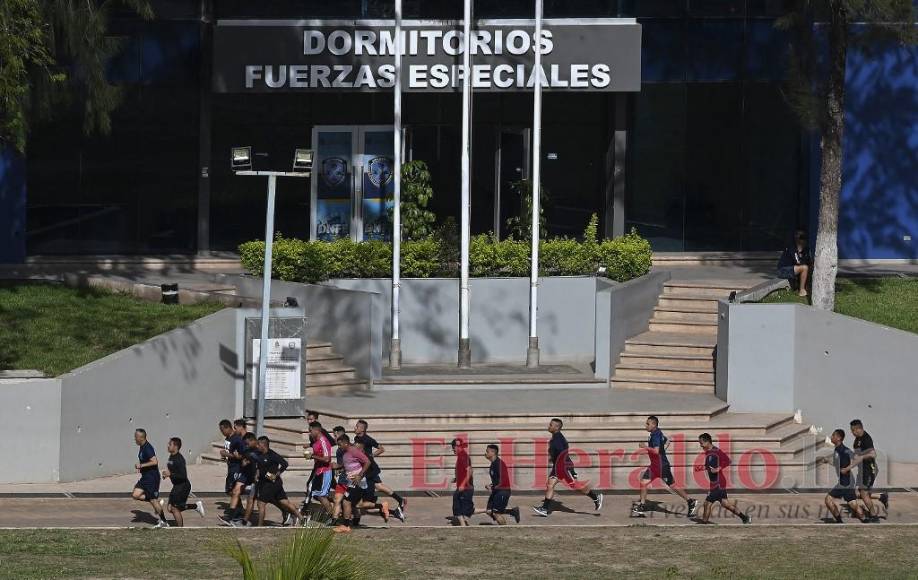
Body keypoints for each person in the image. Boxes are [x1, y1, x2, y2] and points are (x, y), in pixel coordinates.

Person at [532, 418, 603, 517]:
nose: (549, 426)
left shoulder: (558, 440)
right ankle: (544, 508)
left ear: (557, 427)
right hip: (557, 467)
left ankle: (595, 497)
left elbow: (564, 456)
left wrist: (571, 470)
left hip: (564, 468)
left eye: (551, 425)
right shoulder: (556, 438)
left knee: (576, 486)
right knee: (550, 485)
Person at [632, 416, 697, 518]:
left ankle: (690, 501)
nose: (646, 425)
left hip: (662, 466)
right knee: (644, 482)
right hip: (655, 466)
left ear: (654, 425)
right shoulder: (657, 433)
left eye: (648, 424)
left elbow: (656, 451)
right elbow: (667, 441)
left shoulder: (656, 435)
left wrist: (645, 447)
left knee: (672, 485)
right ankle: (642, 505)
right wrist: (662, 452)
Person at [354, 419, 407, 521]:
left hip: (369, 469)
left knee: (364, 501)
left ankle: (387, 506)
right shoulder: (357, 437)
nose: (355, 428)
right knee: (379, 486)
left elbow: (381, 449)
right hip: (368, 469)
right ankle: (400, 500)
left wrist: (371, 455)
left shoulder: (368, 439)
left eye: (357, 426)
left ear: (362, 429)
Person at [694, 433, 750, 524]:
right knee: (725, 504)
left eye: (701, 443)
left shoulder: (717, 451)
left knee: (707, 503)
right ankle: (745, 518)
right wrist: (701, 468)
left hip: (718, 483)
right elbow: (709, 466)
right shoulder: (708, 452)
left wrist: (718, 468)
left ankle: (704, 524)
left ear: (707, 442)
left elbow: (728, 461)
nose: (700, 445)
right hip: (716, 482)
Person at [252, 436, 302, 526]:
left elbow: (284, 464)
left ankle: (259, 526)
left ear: (263, 445)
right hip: (268, 482)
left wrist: (277, 473)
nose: (257, 446)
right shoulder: (259, 454)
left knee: (261, 503)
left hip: (272, 482)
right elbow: (259, 466)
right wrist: (257, 473)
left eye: (258, 444)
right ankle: (302, 518)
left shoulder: (272, 455)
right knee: (284, 502)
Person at [332, 434, 374, 533]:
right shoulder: (346, 453)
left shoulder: (353, 450)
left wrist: (360, 475)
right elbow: (347, 464)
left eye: (340, 444)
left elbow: (367, 462)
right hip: (351, 482)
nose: (339, 447)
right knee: (353, 503)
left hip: (357, 482)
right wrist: (337, 466)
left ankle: (345, 526)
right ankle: (381, 507)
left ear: (345, 443)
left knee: (347, 502)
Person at [160, 437, 205, 527]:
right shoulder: (171, 456)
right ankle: (196, 506)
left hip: (182, 486)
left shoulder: (179, 459)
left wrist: (170, 474)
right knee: (169, 508)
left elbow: (183, 476)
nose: (168, 446)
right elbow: (172, 471)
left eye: (170, 444)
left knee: (174, 508)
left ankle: (180, 530)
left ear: (176, 446)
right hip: (177, 485)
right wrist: (166, 474)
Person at [825, 428, 868, 523]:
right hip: (847, 482)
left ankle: (839, 522)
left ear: (839, 438)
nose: (831, 437)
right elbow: (838, 464)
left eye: (833, 435)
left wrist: (848, 468)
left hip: (844, 483)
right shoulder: (837, 449)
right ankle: (865, 520)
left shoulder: (844, 450)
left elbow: (858, 459)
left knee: (828, 499)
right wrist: (828, 461)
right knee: (853, 504)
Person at [849, 420, 888, 520]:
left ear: (859, 428)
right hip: (862, 470)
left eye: (853, 430)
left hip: (869, 469)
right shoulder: (857, 439)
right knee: (858, 493)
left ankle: (874, 516)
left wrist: (861, 457)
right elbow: (857, 455)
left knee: (863, 493)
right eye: (851, 430)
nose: (852, 432)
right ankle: (882, 497)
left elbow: (873, 454)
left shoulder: (866, 439)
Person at [473, 444, 520, 525]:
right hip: (497, 491)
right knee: (489, 511)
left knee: (496, 513)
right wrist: (491, 485)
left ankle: (505, 531)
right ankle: (512, 511)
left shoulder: (499, 464)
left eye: (487, 451)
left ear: (493, 452)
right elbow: (497, 480)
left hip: (503, 491)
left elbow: (503, 480)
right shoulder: (493, 464)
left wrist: (494, 487)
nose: (485, 453)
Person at [131, 428, 168, 528]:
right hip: (145, 478)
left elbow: (155, 461)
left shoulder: (148, 448)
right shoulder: (142, 447)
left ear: (140, 437)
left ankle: (164, 521)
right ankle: (156, 501)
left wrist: (141, 466)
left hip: (152, 478)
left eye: (135, 437)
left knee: (152, 500)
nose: (134, 439)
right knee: (135, 495)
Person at [218, 419, 246, 525]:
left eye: (222, 430)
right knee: (230, 491)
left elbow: (241, 455)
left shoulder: (237, 439)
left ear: (227, 428)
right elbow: (230, 453)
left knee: (232, 490)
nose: (222, 432)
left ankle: (235, 513)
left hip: (236, 469)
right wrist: (226, 457)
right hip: (231, 467)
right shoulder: (228, 438)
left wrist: (227, 455)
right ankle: (239, 510)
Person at [307, 421, 335, 518]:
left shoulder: (324, 441)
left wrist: (312, 456)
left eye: (310, 431)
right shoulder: (316, 441)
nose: (309, 433)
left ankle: (332, 517)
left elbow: (327, 459)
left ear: (317, 430)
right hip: (319, 471)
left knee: (321, 496)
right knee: (315, 493)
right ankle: (335, 507)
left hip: (325, 471)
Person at [777, 230, 811, 297]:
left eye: (804, 237)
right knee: (805, 268)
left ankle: (807, 287)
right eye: (801, 238)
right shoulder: (792, 247)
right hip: (783, 270)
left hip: (793, 269)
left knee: (809, 267)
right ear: (796, 238)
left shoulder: (806, 249)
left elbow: (809, 261)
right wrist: (800, 250)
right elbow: (798, 262)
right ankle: (801, 290)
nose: (803, 240)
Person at [450, 438, 475, 526]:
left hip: (466, 488)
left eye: (453, 448)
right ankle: (463, 525)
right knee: (458, 507)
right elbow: (463, 471)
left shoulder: (463, 456)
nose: (453, 451)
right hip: (464, 487)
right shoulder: (461, 456)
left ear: (456, 447)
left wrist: (463, 484)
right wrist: (456, 479)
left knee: (465, 510)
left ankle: (489, 510)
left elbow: (470, 471)